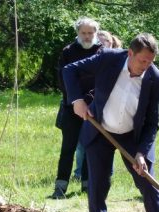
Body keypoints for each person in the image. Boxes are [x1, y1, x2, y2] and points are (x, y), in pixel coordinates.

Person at [63, 33, 159, 212]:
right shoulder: (108, 58)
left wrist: (142, 152)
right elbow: (69, 70)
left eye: (151, 61)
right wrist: (77, 100)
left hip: (133, 138)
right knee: (98, 188)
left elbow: (152, 123)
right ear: (130, 53)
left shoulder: (156, 79)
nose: (146, 66)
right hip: (100, 129)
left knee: (149, 185)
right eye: (142, 60)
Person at [49, 17, 102, 199]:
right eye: (83, 33)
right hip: (71, 106)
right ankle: (60, 187)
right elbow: (62, 79)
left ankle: (88, 187)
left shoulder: (102, 51)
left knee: (90, 146)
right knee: (68, 147)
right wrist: (76, 100)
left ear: (95, 33)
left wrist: (88, 100)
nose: (87, 37)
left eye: (90, 33)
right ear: (78, 33)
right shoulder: (68, 52)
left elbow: (104, 80)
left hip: (94, 107)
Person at [74, 30, 122, 181]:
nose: (100, 46)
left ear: (111, 44)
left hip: (107, 110)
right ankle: (79, 173)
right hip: (85, 108)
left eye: (104, 43)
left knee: (108, 142)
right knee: (82, 143)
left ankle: (107, 173)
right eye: (98, 42)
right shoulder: (90, 62)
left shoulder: (116, 62)